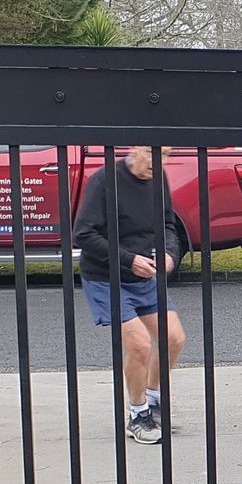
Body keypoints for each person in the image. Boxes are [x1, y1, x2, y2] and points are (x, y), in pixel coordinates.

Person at [72, 146, 187, 444]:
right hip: (106, 276)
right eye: (152, 152)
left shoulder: (158, 179)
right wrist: (129, 260)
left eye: (166, 154)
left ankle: (153, 402)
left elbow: (168, 225)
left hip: (143, 276)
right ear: (133, 150)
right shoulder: (104, 180)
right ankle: (137, 415)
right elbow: (83, 234)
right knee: (138, 344)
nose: (159, 161)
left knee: (173, 338)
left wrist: (169, 254)